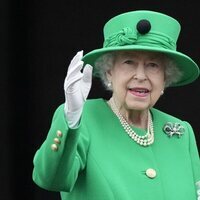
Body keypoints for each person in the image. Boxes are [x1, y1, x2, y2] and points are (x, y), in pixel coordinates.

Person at [32, 10, 200, 200]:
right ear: (109, 72)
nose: (141, 76)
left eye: (153, 65)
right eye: (129, 62)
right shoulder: (83, 119)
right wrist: (71, 120)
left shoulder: (181, 133)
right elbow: (50, 179)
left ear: (165, 79)